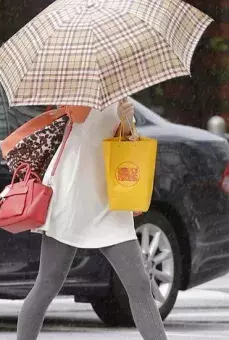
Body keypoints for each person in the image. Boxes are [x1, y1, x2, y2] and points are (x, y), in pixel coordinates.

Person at [16, 100, 167, 340]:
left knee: (139, 284)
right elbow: (78, 115)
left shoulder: (118, 89)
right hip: (72, 193)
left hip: (110, 196)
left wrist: (126, 119)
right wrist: (104, 103)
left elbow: (124, 138)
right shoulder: (77, 79)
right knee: (48, 283)